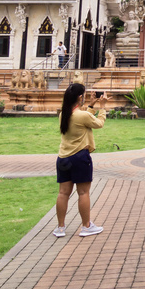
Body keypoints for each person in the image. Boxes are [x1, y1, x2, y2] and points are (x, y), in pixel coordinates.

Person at [54, 83, 106, 238]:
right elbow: (98, 123)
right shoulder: (82, 116)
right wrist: (102, 107)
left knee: (63, 193)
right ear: (79, 97)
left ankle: (60, 227)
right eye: (83, 95)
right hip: (79, 157)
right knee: (83, 192)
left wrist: (91, 104)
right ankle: (86, 226)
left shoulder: (64, 114)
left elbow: (83, 119)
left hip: (63, 157)